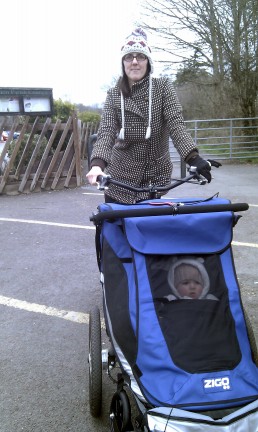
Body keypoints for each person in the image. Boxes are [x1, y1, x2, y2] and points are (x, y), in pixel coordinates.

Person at [86, 28, 219, 204]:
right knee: (114, 228)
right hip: (118, 178)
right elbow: (106, 132)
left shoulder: (162, 87)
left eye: (140, 57)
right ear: (123, 63)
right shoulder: (113, 94)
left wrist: (193, 158)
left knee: (149, 227)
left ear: (148, 61)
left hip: (153, 178)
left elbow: (176, 124)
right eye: (129, 57)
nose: (134, 62)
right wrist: (97, 166)